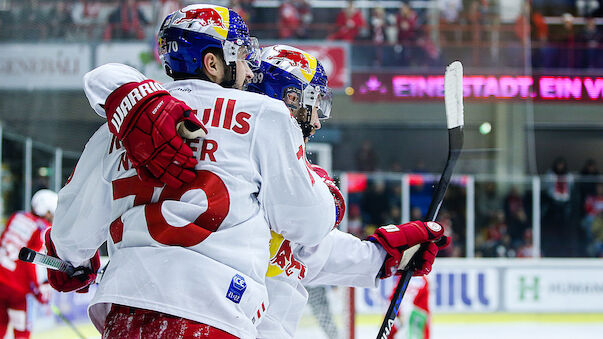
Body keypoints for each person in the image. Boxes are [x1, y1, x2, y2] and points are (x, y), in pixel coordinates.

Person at [45, 5, 339, 338]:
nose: (248, 70)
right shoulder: (265, 115)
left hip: (125, 314)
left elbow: (69, 237)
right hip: (214, 312)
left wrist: (74, 265)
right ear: (213, 63)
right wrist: (322, 190)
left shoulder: (120, 125)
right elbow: (308, 224)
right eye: (241, 56)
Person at [246, 45, 449, 339]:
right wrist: (325, 199)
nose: (315, 122)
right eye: (311, 106)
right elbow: (309, 228)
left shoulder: (278, 177)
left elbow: (305, 252)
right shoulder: (244, 168)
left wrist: (382, 255)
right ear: (288, 99)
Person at [0, 189, 57, 339]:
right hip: (17, 290)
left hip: (1, 281)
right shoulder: (42, 229)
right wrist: (41, 288)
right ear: (46, 211)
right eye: (52, 212)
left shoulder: (16, 216)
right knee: (22, 332)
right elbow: (34, 261)